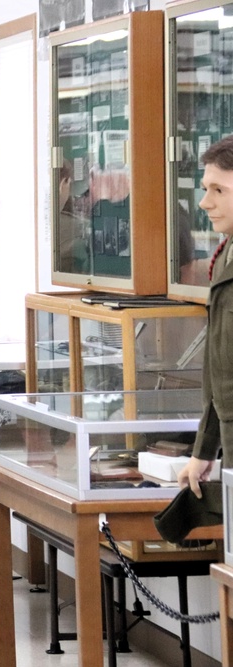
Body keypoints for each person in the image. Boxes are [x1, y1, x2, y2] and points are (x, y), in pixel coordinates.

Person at [177, 135, 233, 500]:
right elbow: (220, 367)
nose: (204, 202)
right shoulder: (225, 252)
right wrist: (204, 448)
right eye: (204, 188)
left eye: (219, 190)